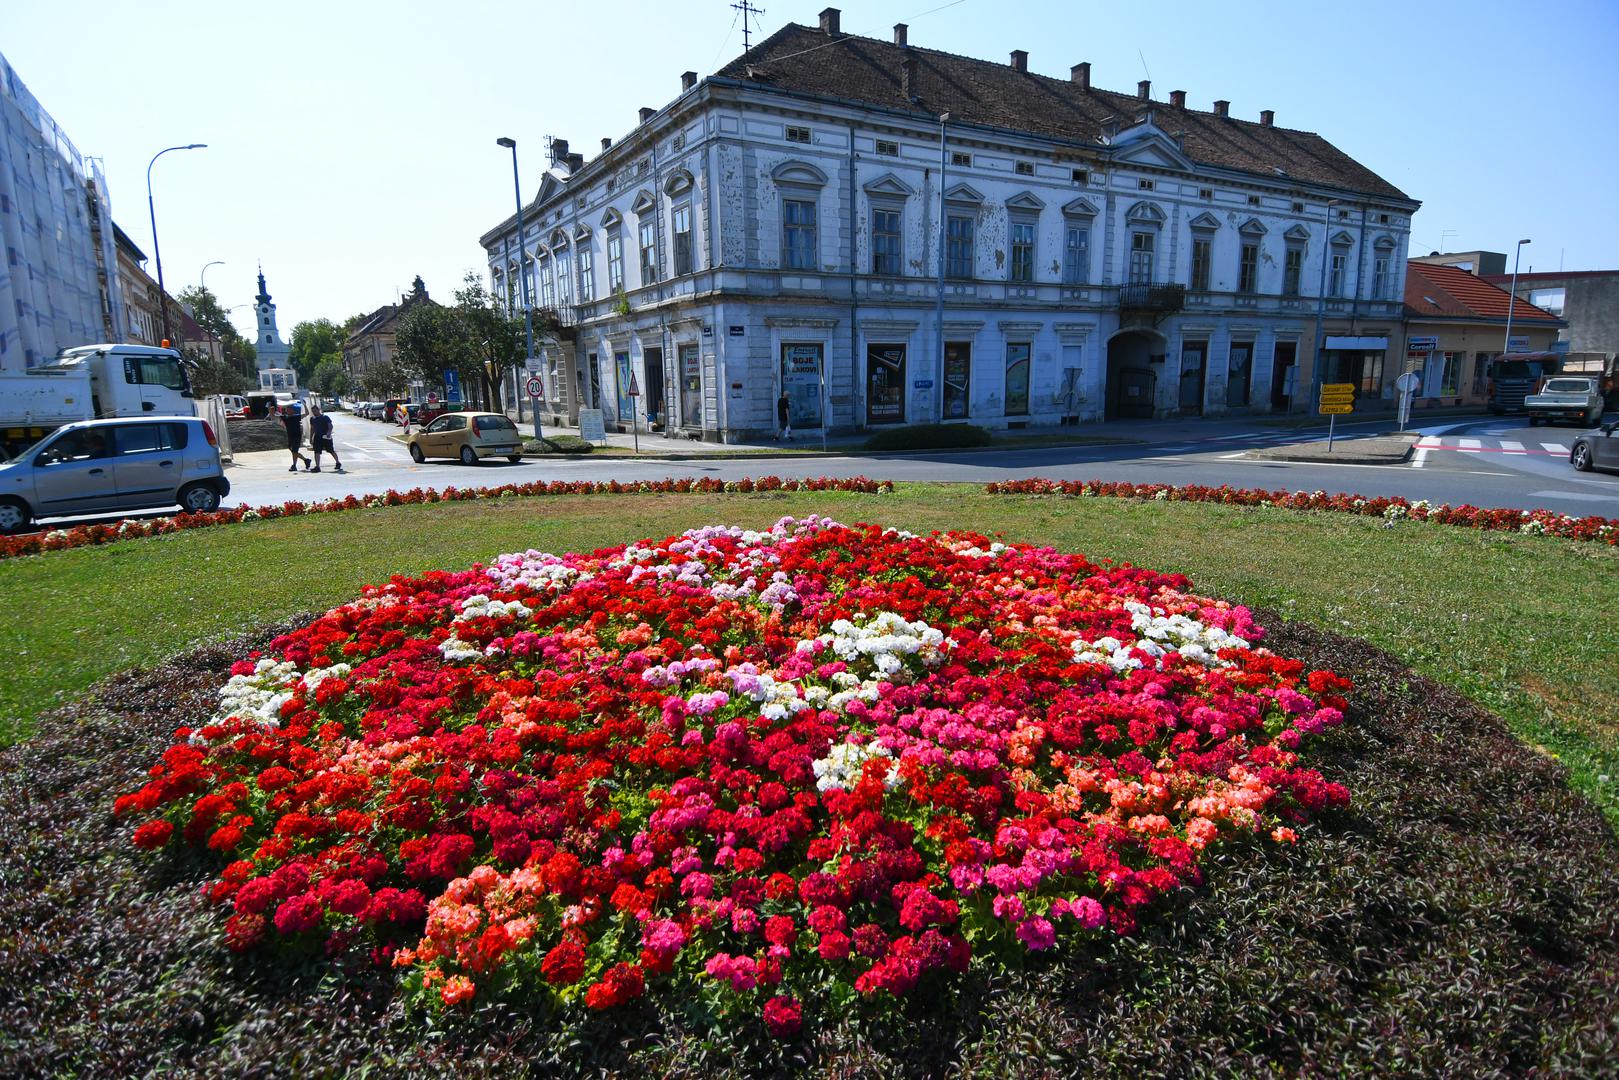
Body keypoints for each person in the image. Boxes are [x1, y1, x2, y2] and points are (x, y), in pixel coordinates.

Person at [308, 402, 343, 473]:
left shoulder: (325, 417)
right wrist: (311, 438)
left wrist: (329, 432)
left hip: (326, 437)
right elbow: (312, 429)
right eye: (313, 411)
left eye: (315, 411)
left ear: (318, 410)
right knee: (317, 451)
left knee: (331, 450)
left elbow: (330, 426)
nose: (314, 412)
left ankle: (338, 462)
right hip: (317, 437)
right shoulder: (312, 419)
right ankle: (317, 467)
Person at [280, 400, 312, 472]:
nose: (288, 411)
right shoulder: (285, 417)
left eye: (290, 409)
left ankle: (294, 465)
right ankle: (306, 460)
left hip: (297, 436)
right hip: (290, 436)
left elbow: (307, 413)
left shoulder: (297, 416)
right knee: (293, 451)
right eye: (287, 410)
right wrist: (269, 407)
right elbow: (273, 416)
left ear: (293, 411)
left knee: (294, 451)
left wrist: (304, 404)